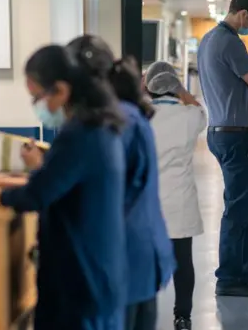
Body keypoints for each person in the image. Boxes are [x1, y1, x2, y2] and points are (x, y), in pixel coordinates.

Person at [0, 44, 128, 329]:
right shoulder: (98, 126)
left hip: (81, 279)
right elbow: (55, 180)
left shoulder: (80, 135)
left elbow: (36, 195)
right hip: (97, 273)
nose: (37, 107)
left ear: (61, 90)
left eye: (37, 97)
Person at [66, 35, 175, 330]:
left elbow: (98, 186)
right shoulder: (129, 115)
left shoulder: (112, 123)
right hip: (142, 255)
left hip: (124, 257)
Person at [197, 0, 248, 297]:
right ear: (244, 16)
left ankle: (242, 274)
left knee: (241, 205)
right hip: (236, 135)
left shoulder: (209, 40)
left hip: (219, 130)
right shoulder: (231, 42)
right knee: (238, 208)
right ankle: (229, 278)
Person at [144, 61, 206, 330]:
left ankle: (143, 313)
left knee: (145, 262)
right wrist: (183, 90)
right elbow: (198, 109)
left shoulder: (141, 118)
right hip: (180, 200)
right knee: (183, 263)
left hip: (148, 203)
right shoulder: (190, 116)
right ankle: (183, 317)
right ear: (175, 86)